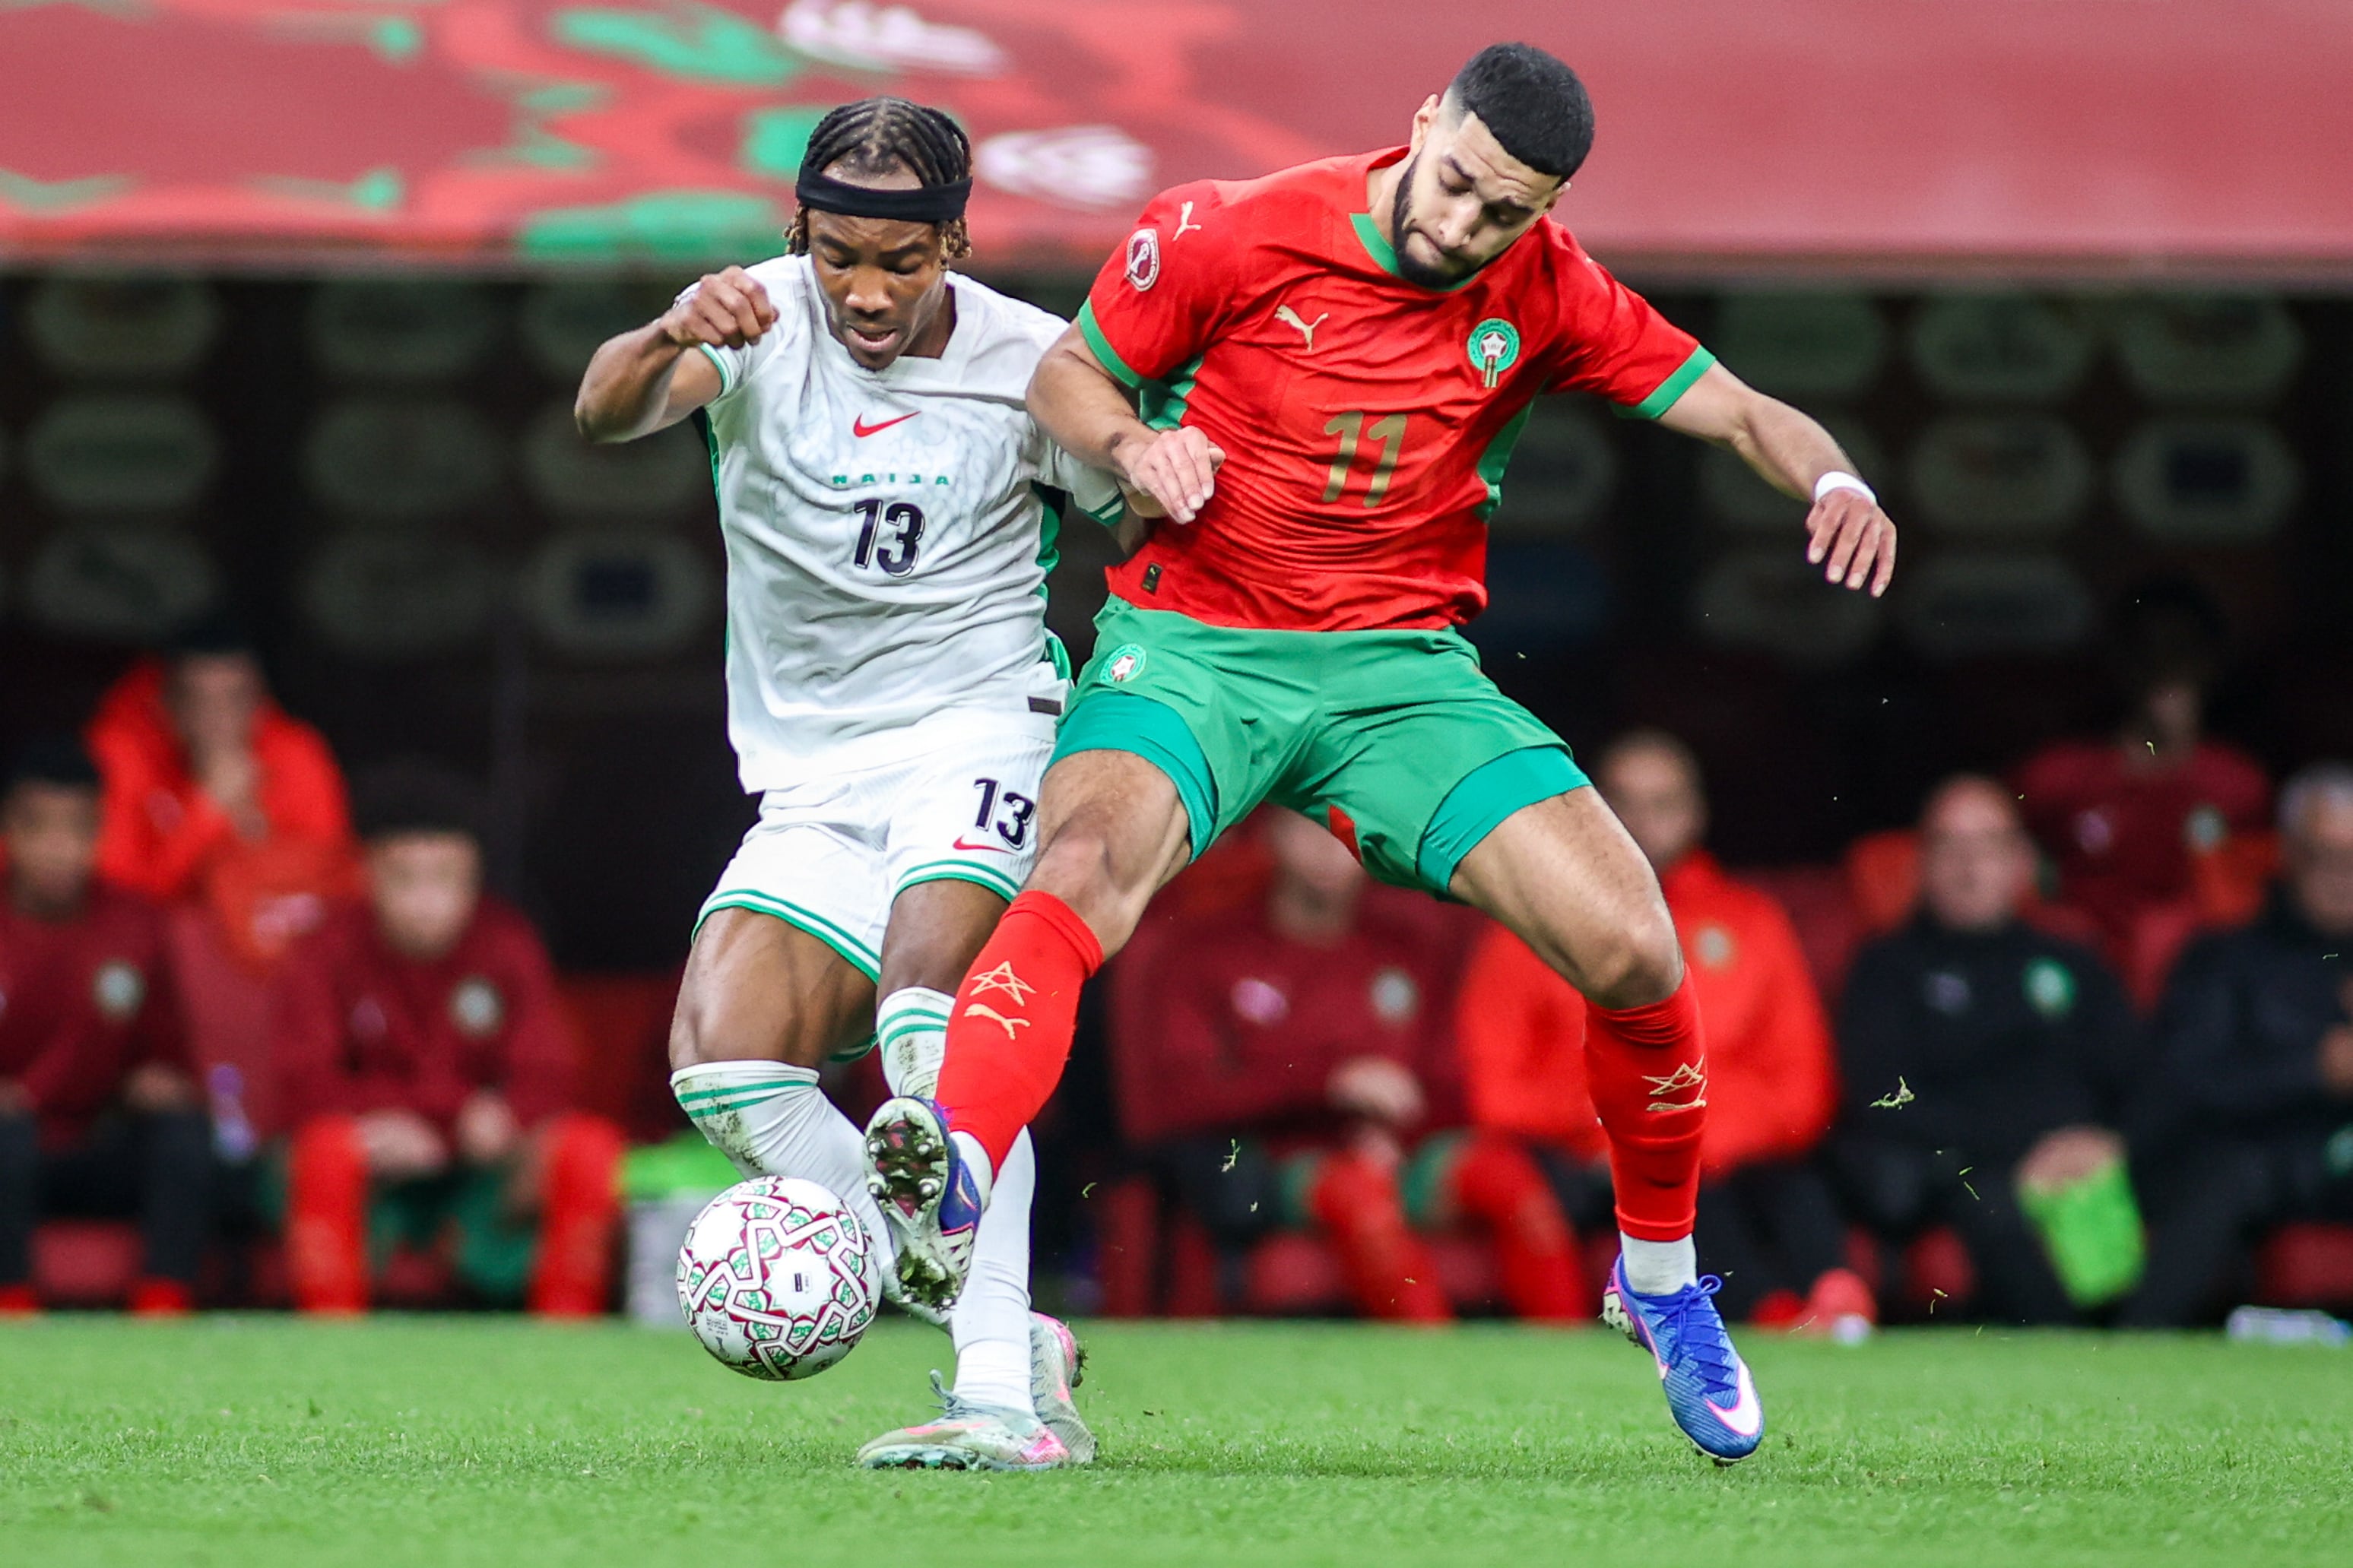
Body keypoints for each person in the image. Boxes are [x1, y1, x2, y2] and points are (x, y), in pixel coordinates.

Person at [864, 42, 1897, 1463]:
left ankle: (1659, 1283)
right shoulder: (1226, 227)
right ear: (1424, 124)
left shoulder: (1547, 288)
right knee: (1085, 861)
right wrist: (1136, 447)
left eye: (1505, 211)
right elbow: (1067, 380)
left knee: (1639, 951)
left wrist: (1833, 473)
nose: (1467, 226)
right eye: (1462, 184)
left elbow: (1734, 407)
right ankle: (956, 1165)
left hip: (1399, 678)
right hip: (1198, 645)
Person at [573, 97, 1118, 1470]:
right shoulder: (751, 322)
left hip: (981, 722)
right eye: (840, 257)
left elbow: (1139, 507)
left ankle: (997, 1393)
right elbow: (604, 412)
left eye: (903, 259)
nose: (867, 292)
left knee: (931, 1034)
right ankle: (995, 1307)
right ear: (796, 233)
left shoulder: (1031, 359)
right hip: (815, 772)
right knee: (722, 1058)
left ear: (956, 243)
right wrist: (667, 332)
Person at [1459, 733, 1866, 1329]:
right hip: (1591, 1161)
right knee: (1682, 1190)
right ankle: (1774, 1319)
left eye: (1663, 802)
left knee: (1791, 1188)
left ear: (1695, 813)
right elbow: (1493, 1092)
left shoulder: (1752, 922)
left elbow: (1803, 1087)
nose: (1642, 821)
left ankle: (1838, 1301)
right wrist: (1613, 1128)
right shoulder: (1529, 920)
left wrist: (1704, 1136)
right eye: (1622, 800)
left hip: (1731, 1158)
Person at [1112, 808, 1581, 1323]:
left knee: (1506, 1178)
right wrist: (1328, 1085)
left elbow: (1455, 1077)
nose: (1327, 847)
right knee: (1358, 1194)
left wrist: (1398, 1134)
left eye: (1342, 828)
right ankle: (1439, 1364)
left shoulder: (1410, 944)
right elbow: (1179, 1097)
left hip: (1406, 1151)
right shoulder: (1205, 950)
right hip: (1283, 1159)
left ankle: (1565, 1358)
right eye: (1308, 827)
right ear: (1272, 834)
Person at [271, 762, 622, 1317]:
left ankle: (566, 1330)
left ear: (473, 876)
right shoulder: (325, 948)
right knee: (325, 1150)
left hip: (475, 1171)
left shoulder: (506, 942)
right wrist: (404, 1119)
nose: (425, 900)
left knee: (588, 1146)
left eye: (445, 877)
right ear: (367, 874)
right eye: (405, 878)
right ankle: (331, 1331)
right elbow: (302, 1081)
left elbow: (550, 1071)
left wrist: (503, 1115)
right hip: (373, 1171)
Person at [1833, 777, 2139, 1325]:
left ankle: (2153, 1342)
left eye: (1988, 846)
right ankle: (2068, 1350)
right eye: (1950, 847)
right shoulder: (1885, 968)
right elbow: (1882, 1099)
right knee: (1983, 1191)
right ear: (1921, 861)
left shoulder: (2073, 962)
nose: (1968, 867)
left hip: (2084, 1163)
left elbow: (2139, 1079)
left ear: (2020, 860)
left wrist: (2106, 1142)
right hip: (1963, 1166)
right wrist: (2027, 1149)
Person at [2121, 764, 2353, 1326]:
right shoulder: (2226, 959)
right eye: (2329, 856)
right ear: (2290, 853)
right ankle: (2139, 1346)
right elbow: (2183, 1082)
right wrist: (2314, 1068)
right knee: (2226, 1172)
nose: (2345, 875)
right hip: (2260, 1158)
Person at [0, 737, 209, 1315]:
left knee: (184, 1132)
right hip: (9, 1152)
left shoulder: (137, 926)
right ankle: (10, 1307)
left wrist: (154, 1080)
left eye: (76, 828)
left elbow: (171, 1058)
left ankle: (164, 1307)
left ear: (98, 832)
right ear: (9, 828)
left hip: (93, 1140)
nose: (57, 848)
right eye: (38, 826)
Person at [2014, 582, 2269, 963]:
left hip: (2201, 984)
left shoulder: (2238, 785)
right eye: (2148, 647)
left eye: (2181, 648)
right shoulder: (2056, 777)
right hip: (2084, 982)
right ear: (2120, 659)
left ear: (2211, 660)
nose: (2164, 663)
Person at [85, 622, 352, 909]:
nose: (217, 718)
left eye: (234, 698)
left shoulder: (294, 750)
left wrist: (253, 836)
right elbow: (118, 900)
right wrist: (206, 812)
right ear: (165, 703)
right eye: (197, 700)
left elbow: (334, 879)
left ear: (260, 702)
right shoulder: (119, 751)